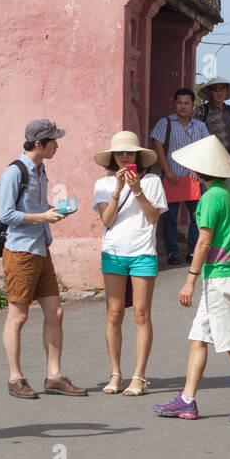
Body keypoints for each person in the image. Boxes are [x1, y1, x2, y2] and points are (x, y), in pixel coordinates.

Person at [154, 135, 230, 423]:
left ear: (198, 171)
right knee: (198, 337)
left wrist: (190, 279)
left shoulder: (211, 198)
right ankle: (187, 400)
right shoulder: (229, 193)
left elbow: (203, 242)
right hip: (227, 274)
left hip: (220, 278)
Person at [0, 119, 87, 399]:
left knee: (55, 312)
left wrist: (54, 211)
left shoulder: (41, 169)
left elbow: (35, 208)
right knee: (18, 316)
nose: (57, 146)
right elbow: (6, 215)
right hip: (20, 252)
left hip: (40, 248)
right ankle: (15, 378)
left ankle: (54, 376)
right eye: (53, 141)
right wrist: (43, 217)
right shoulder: (15, 172)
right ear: (39, 144)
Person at [92, 132, 166, 396]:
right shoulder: (102, 184)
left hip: (143, 252)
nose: (125, 157)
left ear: (138, 156)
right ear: (112, 157)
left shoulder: (153, 181)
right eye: (120, 153)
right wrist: (117, 191)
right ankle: (115, 373)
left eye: (130, 153)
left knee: (141, 314)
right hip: (113, 253)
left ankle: (139, 375)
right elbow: (107, 221)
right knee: (114, 314)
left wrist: (137, 191)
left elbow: (153, 217)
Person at [149, 88, 210, 265]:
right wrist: (167, 171)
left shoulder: (200, 126)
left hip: (193, 179)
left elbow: (206, 148)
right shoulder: (165, 122)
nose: (182, 107)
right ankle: (172, 252)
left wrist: (197, 170)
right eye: (179, 103)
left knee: (197, 217)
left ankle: (192, 252)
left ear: (193, 105)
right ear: (174, 103)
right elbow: (157, 145)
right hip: (172, 178)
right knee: (169, 217)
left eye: (186, 103)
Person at [194, 77, 230, 163]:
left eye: (223, 89)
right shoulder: (202, 110)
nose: (219, 93)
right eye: (215, 89)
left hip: (229, 158)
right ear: (210, 92)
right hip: (208, 160)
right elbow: (190, 133)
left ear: (226, 92)